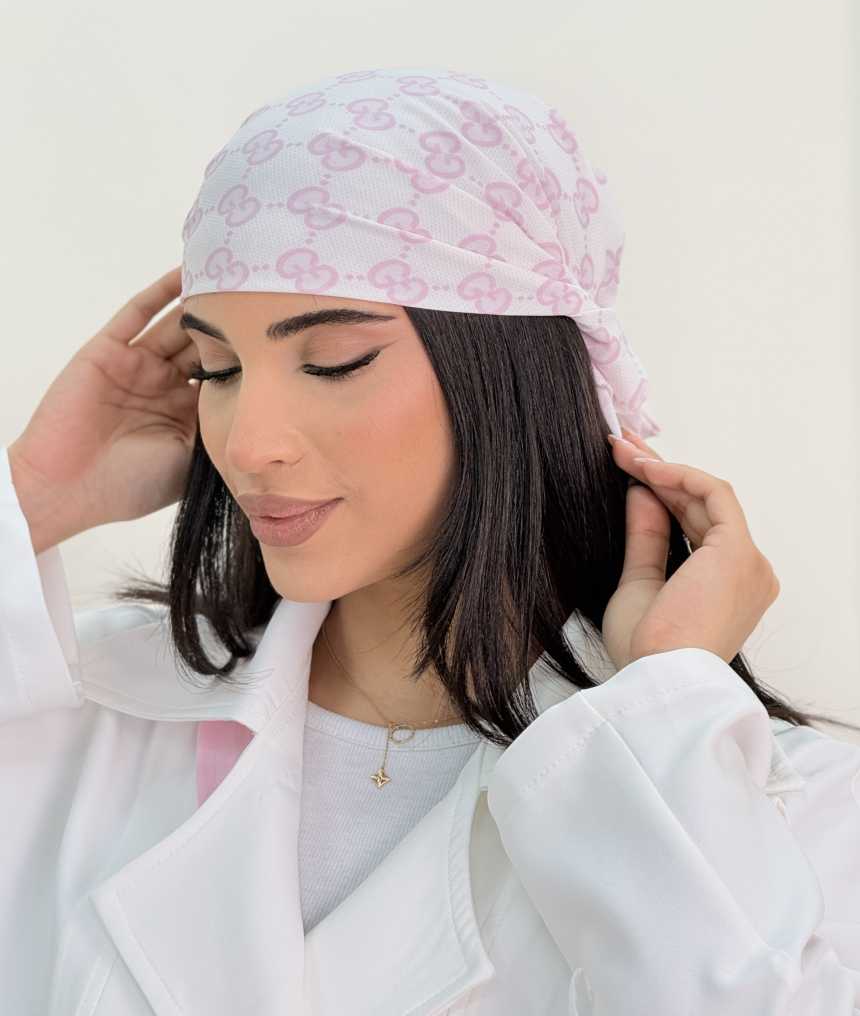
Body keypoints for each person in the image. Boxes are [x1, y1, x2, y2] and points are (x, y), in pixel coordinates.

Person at [2, 66, 859, 1015]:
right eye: (218, 369)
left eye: (333, 361)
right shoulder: (77, 718)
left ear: (506, 370)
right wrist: (31, 498)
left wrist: (663, 712)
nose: (246, 445)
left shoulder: (787, 809)